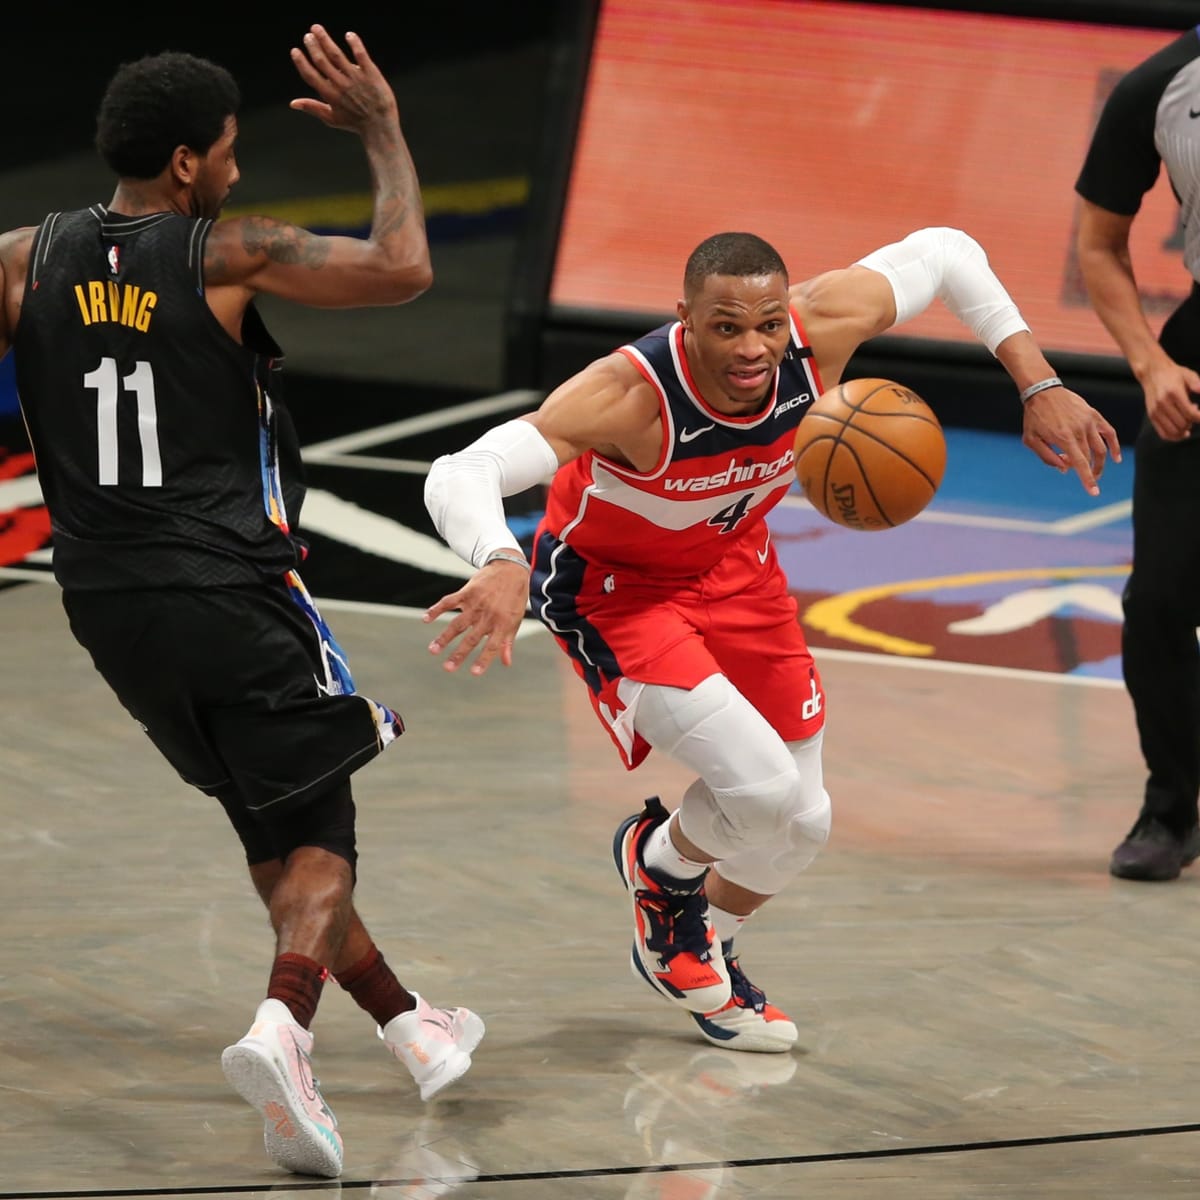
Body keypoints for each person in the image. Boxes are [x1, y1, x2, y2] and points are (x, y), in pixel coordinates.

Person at [422, 226, 1120, 1052]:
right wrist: (500, 559)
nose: (753, 348)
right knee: (758, 790)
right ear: (685, 318)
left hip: (737, 570)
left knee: (803, 824)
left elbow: (948, 251)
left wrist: (1039, 382)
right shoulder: (628, 394)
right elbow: (460, 471)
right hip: (619, 596)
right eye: (726, 328)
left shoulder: (823, 327)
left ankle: (699, 947)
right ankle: (660, 869)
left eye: (768, 324)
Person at [0, 26, 483, 1181]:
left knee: (265, 819)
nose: (235, 165)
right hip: (227, 586)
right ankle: (283, 1034)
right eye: (226, 149)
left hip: (103, 601)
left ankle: (410, 1022)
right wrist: (383, 130)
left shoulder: (20, 259)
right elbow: (404, 267)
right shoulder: (226, 252)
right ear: (186, 164)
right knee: (322, 835)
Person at [1075, 27, 1200, 884]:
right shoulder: (1159, 86)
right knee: (1157, 599)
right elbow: (1098, 243)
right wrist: (1152, 364)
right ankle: (1171, 807)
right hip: (1196, 356)